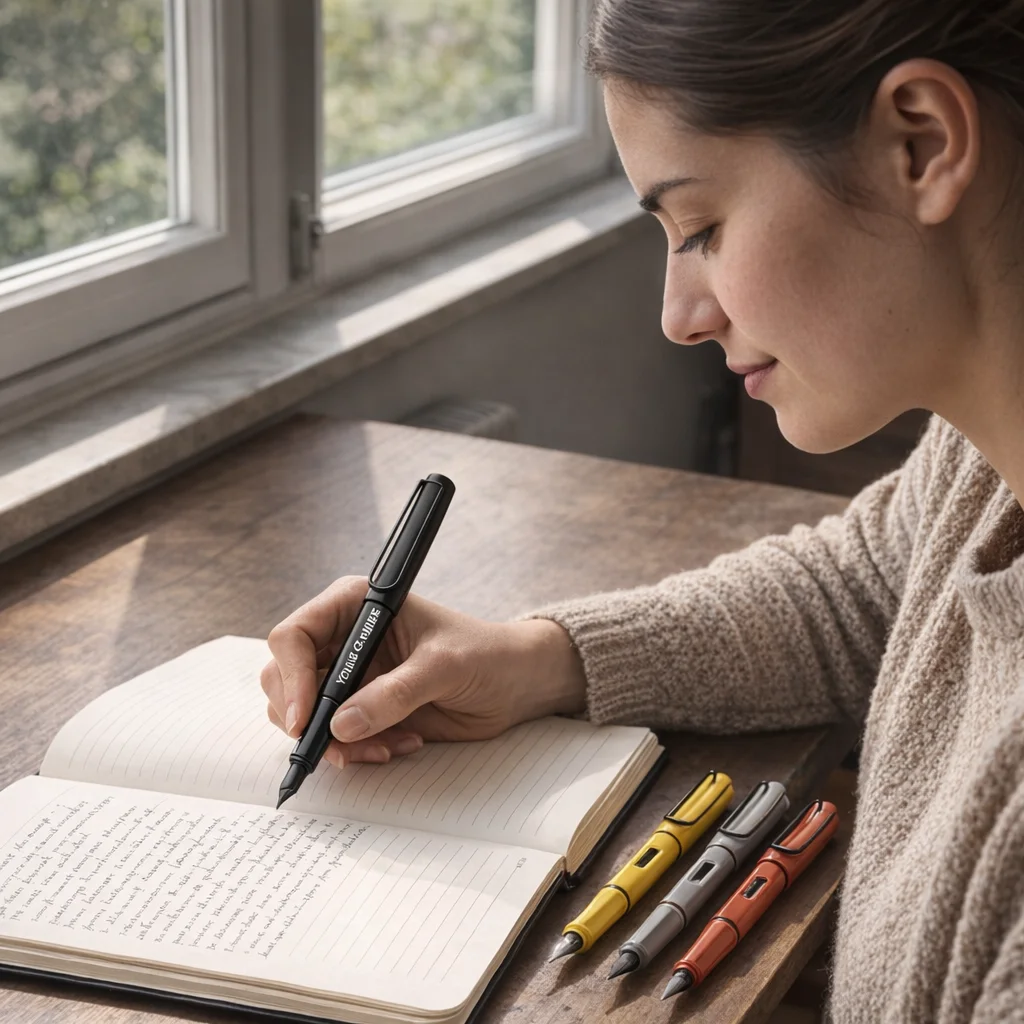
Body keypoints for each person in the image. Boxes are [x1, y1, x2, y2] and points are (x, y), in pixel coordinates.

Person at [261, 2, 1024, 1020]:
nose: (678, 316)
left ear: (919, 142)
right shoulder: (980, 463)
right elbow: (864, 584)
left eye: (701, 228)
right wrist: (540, 658)